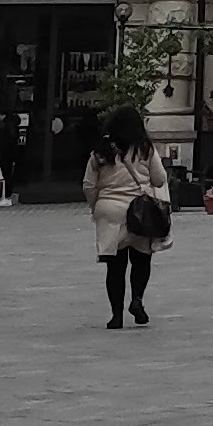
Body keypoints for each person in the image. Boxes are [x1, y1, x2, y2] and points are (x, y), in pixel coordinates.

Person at [84, 102, 171, 328]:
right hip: (139, 209)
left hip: (109, 210)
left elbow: (88, 185)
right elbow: (160, 179)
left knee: (115, 266)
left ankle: (116, 316)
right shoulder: (145, 149)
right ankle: (137, 299)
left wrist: (95, 206)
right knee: (142, 259)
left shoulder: (100, 152)